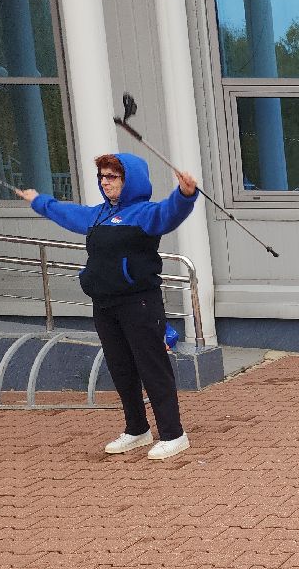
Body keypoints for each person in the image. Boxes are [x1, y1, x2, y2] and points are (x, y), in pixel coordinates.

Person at [22, 153, 198, 461]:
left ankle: (173, 434)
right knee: (121, 368)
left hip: (139, 302)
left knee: (152, 367)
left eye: (111, 177)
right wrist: (39, 201)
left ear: (129, 181)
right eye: (102, 177)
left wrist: (185, 194)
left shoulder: (145, 213)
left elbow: (170, 213)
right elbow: (68, 213)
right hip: (104, 304)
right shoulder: (99, 215)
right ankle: (136, 430)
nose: (105, 182)